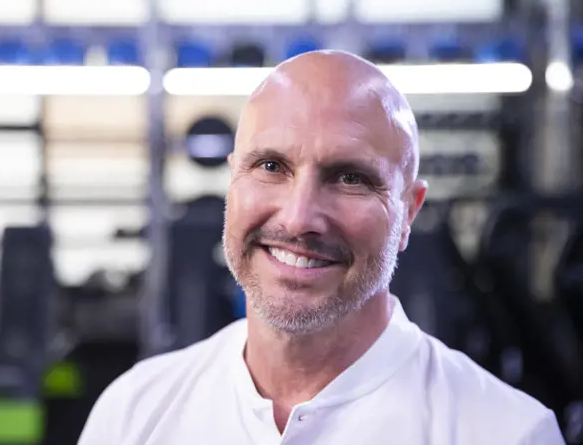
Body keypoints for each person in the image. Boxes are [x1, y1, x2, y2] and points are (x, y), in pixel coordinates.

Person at [77, 50, 566, 444]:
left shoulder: (506, 431)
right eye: (270, 166)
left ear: (408, 213)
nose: (298, 218)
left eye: (350, 178)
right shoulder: (133, 414)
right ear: (233, 179)